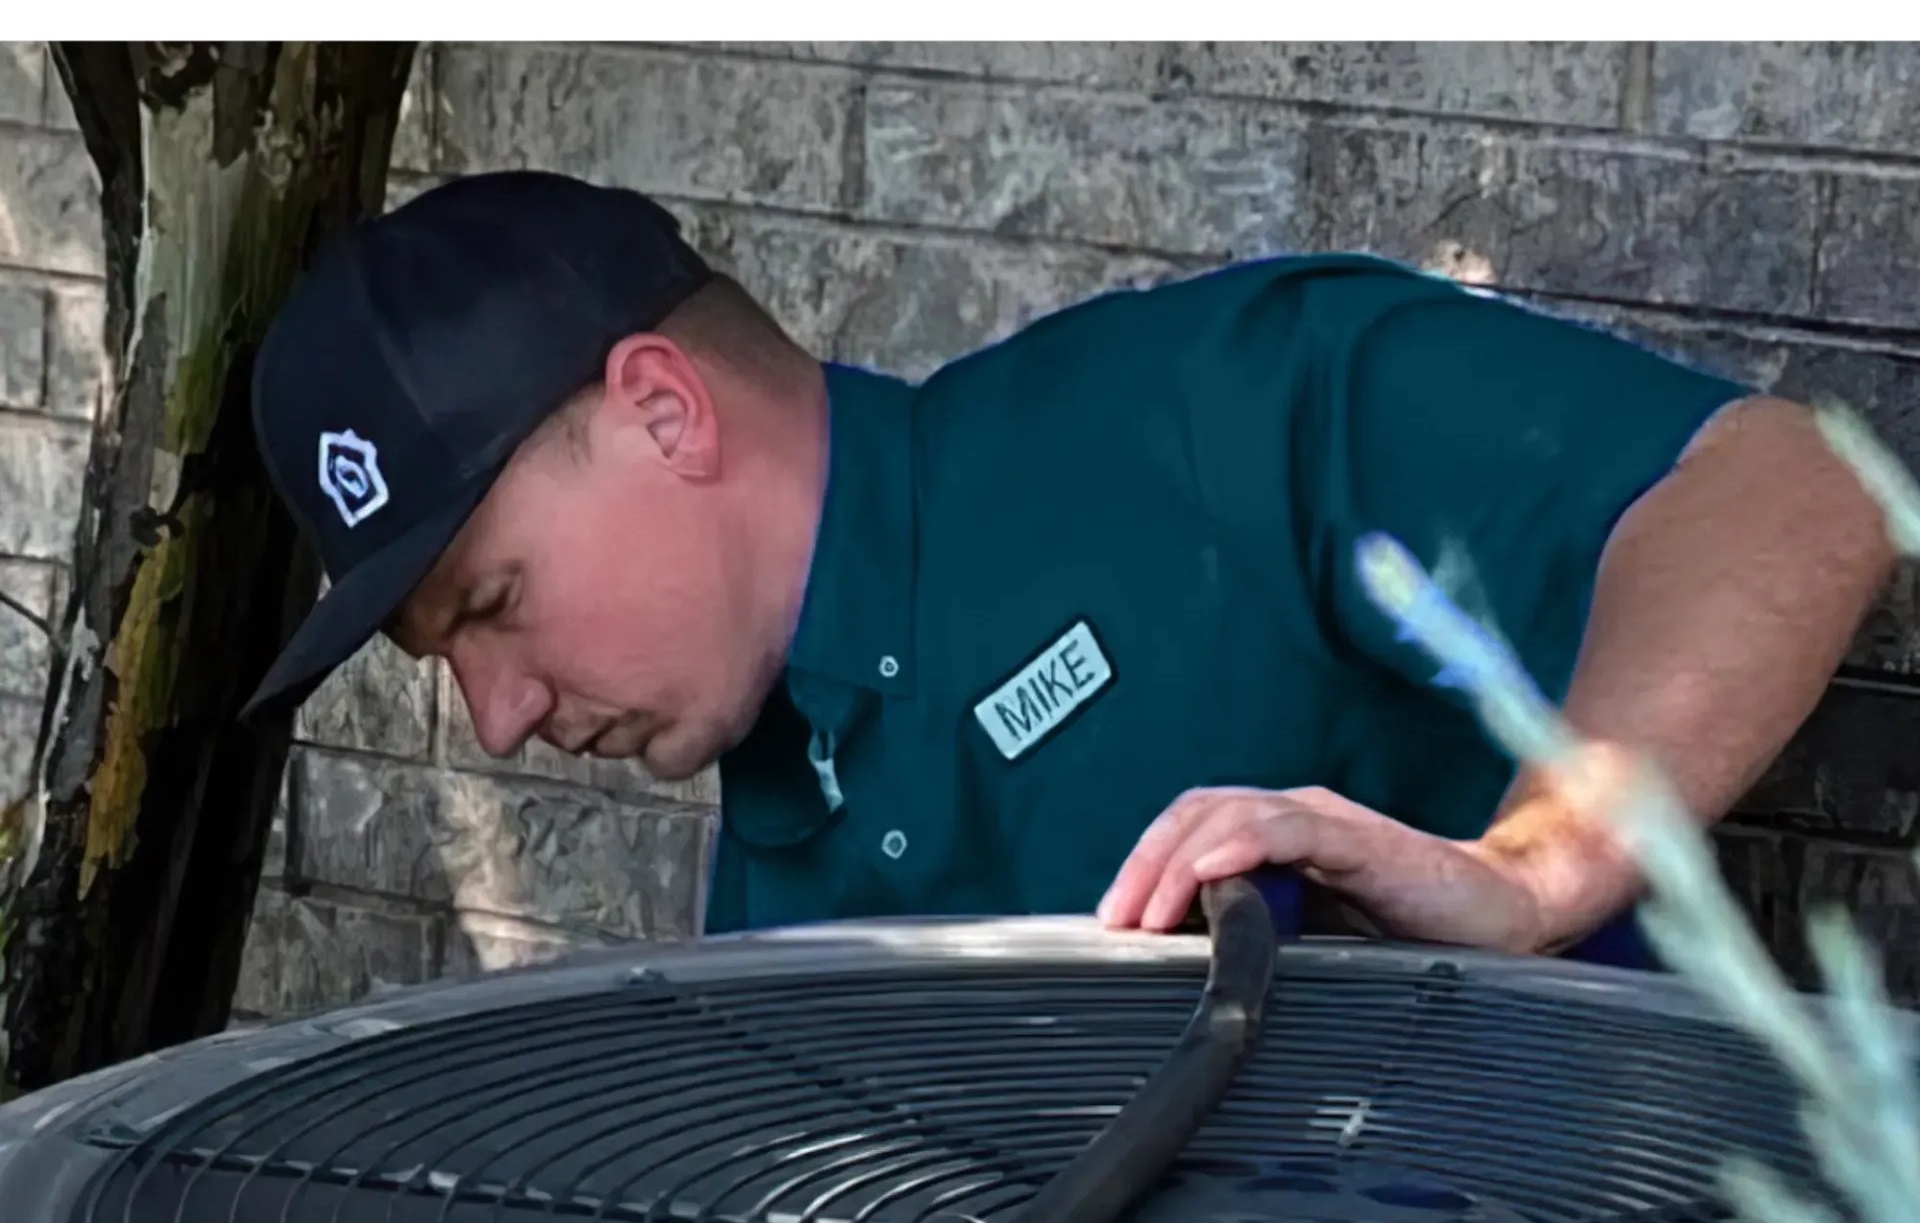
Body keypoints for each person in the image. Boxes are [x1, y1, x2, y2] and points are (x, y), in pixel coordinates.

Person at [241, 170, 1894, 956]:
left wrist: (1534, 869)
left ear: (665, 411)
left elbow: (1796, 493)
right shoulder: (770, 874)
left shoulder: (1205, 419)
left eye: (495, 607)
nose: (500, 720)